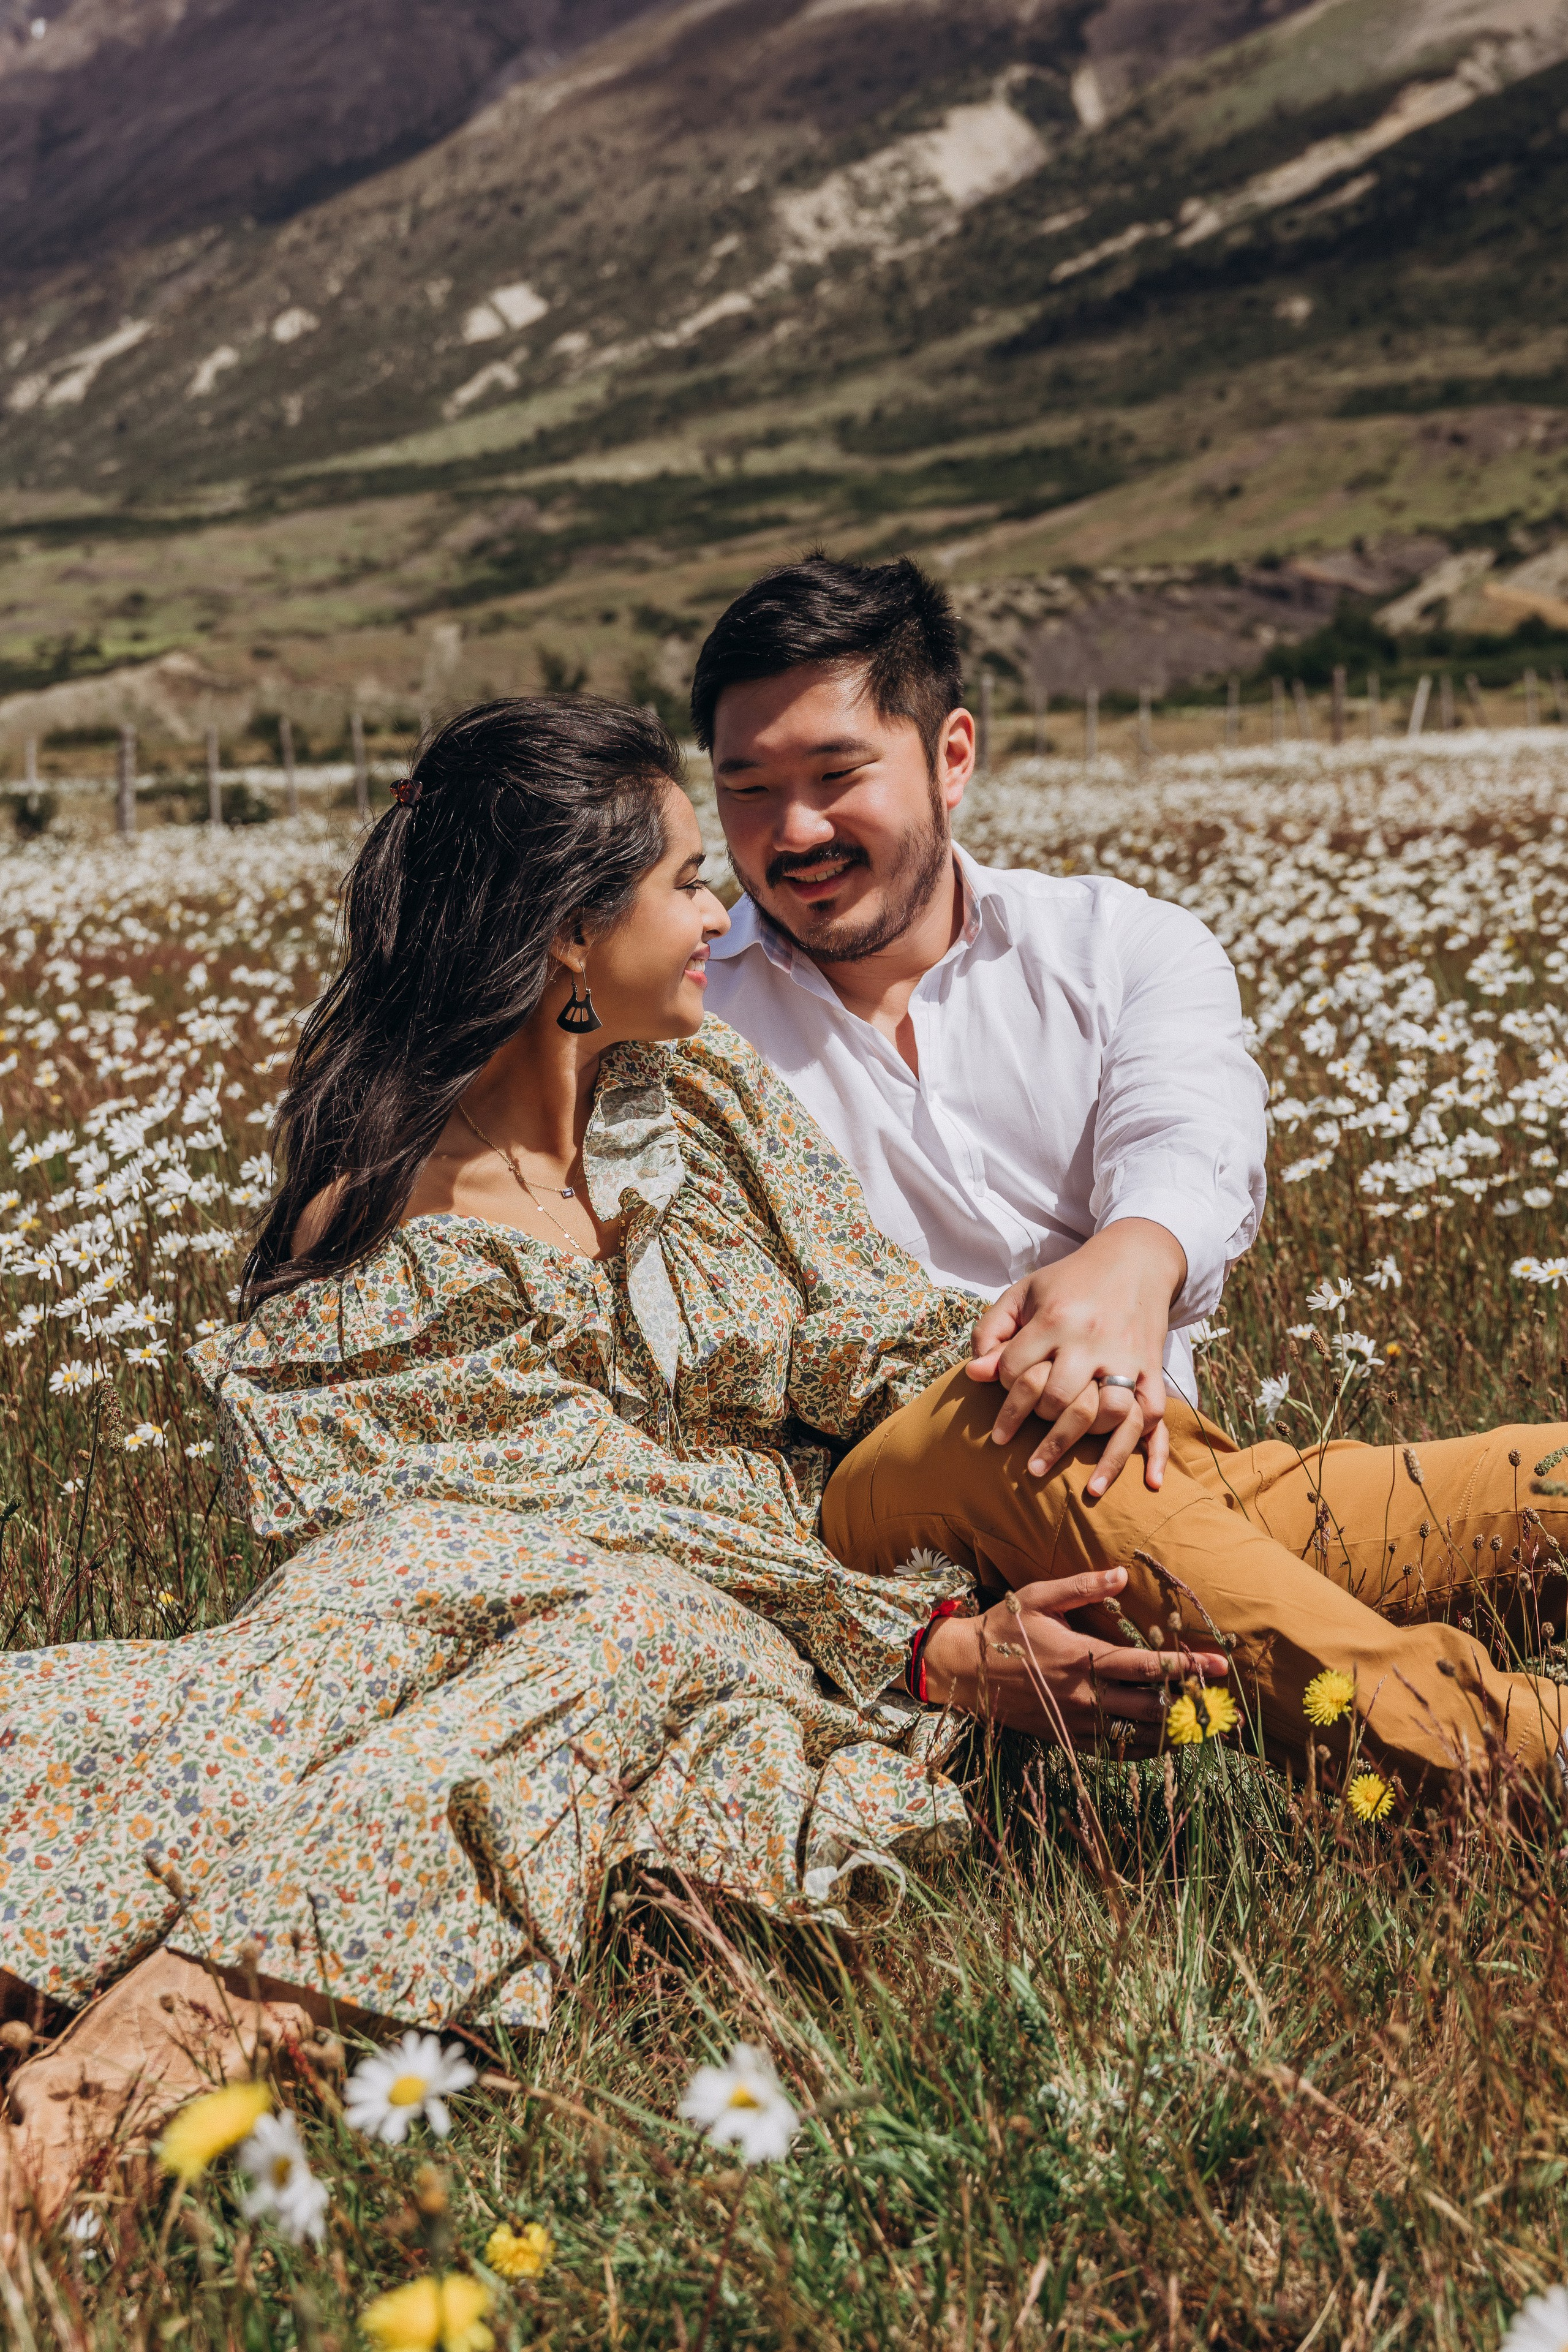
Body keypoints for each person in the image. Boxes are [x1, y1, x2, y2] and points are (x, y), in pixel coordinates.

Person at [0, 695, 1215, 2232]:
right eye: (686, 881)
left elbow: (863, 1327)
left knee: (590, 1656)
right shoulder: (380, 1225)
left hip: (728, 1615)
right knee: (546, 1656)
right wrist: (912, 1653)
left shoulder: (704, 1106)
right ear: (572, 934)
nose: (721, 915)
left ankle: (111, 2041)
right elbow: (586, 1518)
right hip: (517, 1612)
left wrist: (1031, 1351)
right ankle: (101, 2099)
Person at [694, 552, 1568, 1776]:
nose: (793, 831)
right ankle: (1499, 1764)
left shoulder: (1118, 946)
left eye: (836, 777)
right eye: (746, 790)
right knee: (1002, 1407)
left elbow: (1191, 1130)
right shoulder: (683, 1018)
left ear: (950, 757)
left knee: (1544, 1485)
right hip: (883, 1502)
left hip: (1157, 1479)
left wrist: (1132, 1262)